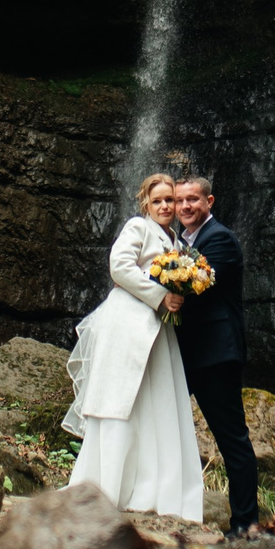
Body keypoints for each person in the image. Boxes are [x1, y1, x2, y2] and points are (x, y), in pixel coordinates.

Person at [63, 172, 204, 519]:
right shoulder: (137, 228)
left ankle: (151, 489)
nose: (166, 206)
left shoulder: (177, 241)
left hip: (158, 332)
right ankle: (106, 488)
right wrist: (161, 296)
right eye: (157, 201)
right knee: (120, 404)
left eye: (170, 200)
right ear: (145, 204)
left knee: (156, 406)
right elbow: (119, 267)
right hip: (128, 325)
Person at [172, 174, 258, 533]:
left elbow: (195, 283)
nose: (185, 207)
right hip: (185, 353)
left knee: (231, 439)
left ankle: (245, 523)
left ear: (210, 202)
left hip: (215, 354)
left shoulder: (219, 238)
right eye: (179, 201)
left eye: (193, 199)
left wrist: (144, 280)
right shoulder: (179, 239)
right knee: (166, 429)